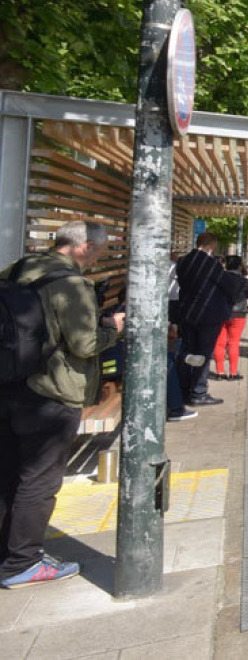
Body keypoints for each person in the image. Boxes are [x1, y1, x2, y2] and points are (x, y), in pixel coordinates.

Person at [0, 221, 123, 588]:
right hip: (50, 391)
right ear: (85, 247)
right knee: (39, 478)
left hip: (9, 383)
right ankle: (22, 562)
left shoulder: (16, 269)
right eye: (99, 252)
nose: (96, 258)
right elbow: (85, 345)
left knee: (8, 472)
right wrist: (113, 328)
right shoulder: (72, 284)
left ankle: (7, 553)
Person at [175, 232, 235, 408]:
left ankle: (184, 390)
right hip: (207, 315)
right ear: (212, 245)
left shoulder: (183, 261)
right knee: (204, 353)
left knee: (188, 352)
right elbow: (226, 284)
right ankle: (199, 392)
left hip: (187, 313)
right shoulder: (210, 263)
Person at [211, 255, 248, 381]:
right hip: (238, 314)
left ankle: (220, 372)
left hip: (221, 313)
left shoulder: (219, 279)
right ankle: (233, 373)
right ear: (239, 265)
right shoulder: (244, 280)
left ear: (226, 265)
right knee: (234, 343)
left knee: (219, 343)